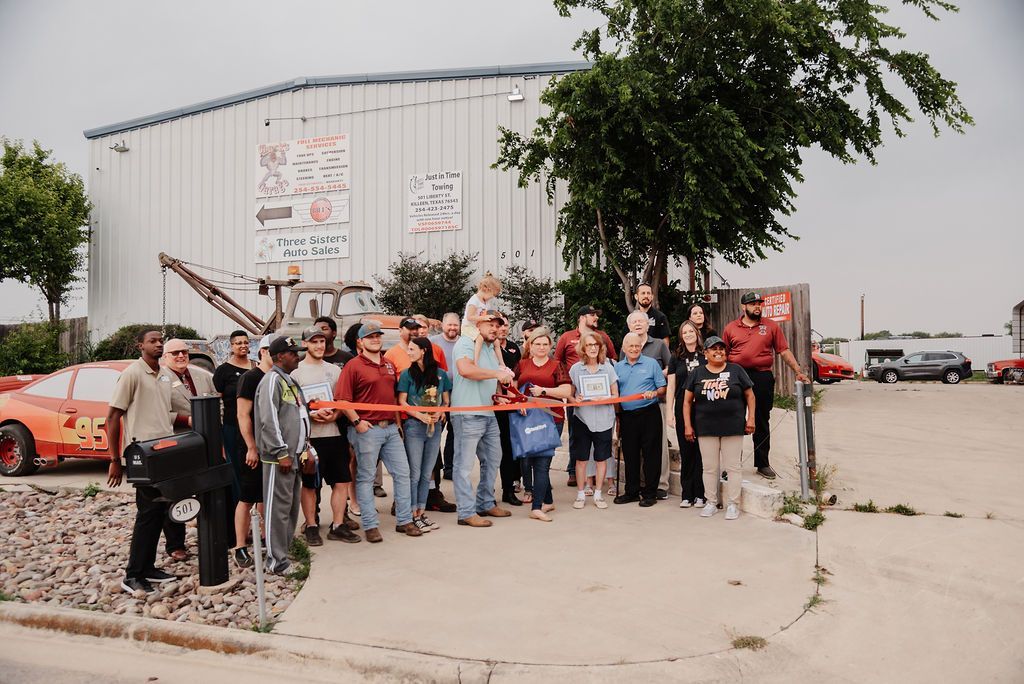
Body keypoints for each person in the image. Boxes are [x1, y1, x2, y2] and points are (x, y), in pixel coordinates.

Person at [105, 328, 178, 594]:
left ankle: (148, 568)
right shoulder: (132, 374)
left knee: (159, 511)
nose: (159, 345)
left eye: (161, 341)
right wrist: (114, 459)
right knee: (147, 513)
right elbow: (112, 417)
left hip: (163, 451)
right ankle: (133, 574)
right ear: (140, 346)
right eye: (153, 341)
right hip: (141, 454)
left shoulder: (165, 375)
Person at [335, 322, 422, 542]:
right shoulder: (353, 366)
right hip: (367, 430)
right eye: (370, 336)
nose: (375, 339)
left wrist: (398, 425)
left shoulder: (389, 364)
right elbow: (342, 400)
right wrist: (357, 422)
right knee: (365, 478)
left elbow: (393, 399)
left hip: (391, 429)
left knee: (403, 474)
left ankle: (404, 520)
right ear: (360, 341)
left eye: (377, 336)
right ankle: (370, 525)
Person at [722, 292, 810, 479]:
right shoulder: (731, 328)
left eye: (759, 304)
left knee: (761, 419)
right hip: (736, 377)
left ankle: (762, 463)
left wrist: (797, 371)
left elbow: (783, 350)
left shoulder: (770, 327)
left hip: (762, 376)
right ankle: (732, 465)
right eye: (753, 304)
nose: (757, 307)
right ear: (743, 307)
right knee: (733, 419)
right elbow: (723, 355)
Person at [291, 326, 360, 545]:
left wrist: (335, 415)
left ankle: (338, 525)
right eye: (314, 342)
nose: (319, 346)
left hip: (334, 434)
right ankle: (311, 525)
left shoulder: (334, 370)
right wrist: (310, 415)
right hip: (310, 439)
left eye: (322, 341)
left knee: (341, 481)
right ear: (305, 344)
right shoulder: (295, 373)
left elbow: (343, 400)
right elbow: (292, 407)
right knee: (310, 484)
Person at [451, 309, 516, 527]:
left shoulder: (490, 348)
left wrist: (497, 398)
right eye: (490, 324)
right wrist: (497, 374)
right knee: (464, 466)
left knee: (493, 459)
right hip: (467, 413)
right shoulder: (466, 343)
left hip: (488, 413)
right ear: (478, 324)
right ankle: (466, 512)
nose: (495, 328)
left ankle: (485, 502)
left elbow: (486, 379)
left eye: (498, 325)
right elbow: (466, 370)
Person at [255, 336, 311, 574]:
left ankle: (284, 553)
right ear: (279, 357)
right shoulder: (271, 381)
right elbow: (269, 421)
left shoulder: (289, 381)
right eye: (293, 352)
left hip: (295, 455)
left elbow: (298, 416)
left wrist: (305, 447)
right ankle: (275, 561)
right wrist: (281, 453)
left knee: (289, 508)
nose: (297, 355)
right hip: (279, 458)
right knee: (276, 509)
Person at [683, 336, 756, 520]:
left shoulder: (736, 370)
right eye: (713, 349)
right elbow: (686, 402)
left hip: (733, 427)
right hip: (706, 428)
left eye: (721, 349)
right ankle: (711, 502)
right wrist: (687, 426)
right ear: (705, 353)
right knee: (709, 468)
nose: (718, 352)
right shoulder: (697, 373)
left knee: (733, 467)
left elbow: (750, 396)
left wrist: (751, 418)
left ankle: (733, 504)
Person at [159, 338, 217, 561]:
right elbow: (161, 412)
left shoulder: (202, 376)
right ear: (166, 358)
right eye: (175, 353)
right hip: (177, 443)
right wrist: (186, 419)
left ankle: (211, 536)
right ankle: (176, 545)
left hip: (206, 444)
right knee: (176, 494)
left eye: (184, 352)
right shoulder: (160, 381)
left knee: (208, 489)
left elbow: (216, 402)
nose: (181, 356)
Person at [514, 327, 573, 521]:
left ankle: (537, 507)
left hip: (551, 418)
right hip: (526, 419)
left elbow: (566, 391)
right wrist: (517, 403)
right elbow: (511, 389)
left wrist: (544, 391)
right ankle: (548, 501)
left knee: (542, 462)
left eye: (545, 344)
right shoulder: (522, 365)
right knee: (532, 460)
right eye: (537, 343)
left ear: (550, 346)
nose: (541, 347)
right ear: (530, 346)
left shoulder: (557, 365)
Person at [555, 305, 617, 487]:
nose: (596, 318)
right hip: (577, 393)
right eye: (592, 315)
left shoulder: (603, 337)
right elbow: (558, 362)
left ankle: (599, 477)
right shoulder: (566, 337)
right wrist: (566, 385)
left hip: (601, 398)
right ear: (582, 317)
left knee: (601, 435)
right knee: (576, 434)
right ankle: (574, 471)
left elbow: (612, 358)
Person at [397, 337, 451, 532]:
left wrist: (441, 411)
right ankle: (411, 513)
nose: (408, 352)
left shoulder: (441, 374)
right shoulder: (406, 375)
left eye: (412, 349)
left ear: (424, 351)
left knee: (427, 473)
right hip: (414, 426)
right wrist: (418, 414)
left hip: (434, 427)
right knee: (415, 473)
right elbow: (402, 401)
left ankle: (421, 511)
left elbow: (446, 401)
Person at [232, 334, 273, 569]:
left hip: (271, 448)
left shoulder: (277, 378)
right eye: (269, 350)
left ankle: (266, 538)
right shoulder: (250, 378)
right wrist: (251, 446)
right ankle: (240, 546)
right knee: (247, 497)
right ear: (262, 352)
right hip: (252, 447)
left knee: (265, 496)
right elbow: (242, 414)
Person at [613, 332, 667, 507]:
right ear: (624, 348)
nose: (634, 349)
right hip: (627, 416)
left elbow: (662, 388)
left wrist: (655, 392)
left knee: (651, 454)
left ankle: (650, 493)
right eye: (631, 346)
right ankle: (632, 492)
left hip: (649, 413)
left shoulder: (651, 364)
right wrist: (618, 416)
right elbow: (615, 393)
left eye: (637, 346)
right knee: (630, 454)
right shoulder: (618, 367)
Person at [622, 311, 672, 499]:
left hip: (654, 405)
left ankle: (659, 485)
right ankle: (637, 488)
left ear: (647, 324)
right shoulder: (626, 348)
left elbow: (670, 368)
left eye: (641, 321)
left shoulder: (659, 345)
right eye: (634, 321)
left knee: (656, 449)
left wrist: (656, 377)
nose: (637, 324)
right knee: (633, 451)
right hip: (629, 411)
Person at [567, 331, 619, 511]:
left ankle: (598, 494)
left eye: (595, 345)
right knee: (581, 459)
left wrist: (603, 399)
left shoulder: (608, 368)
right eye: (589, 345)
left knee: (601, 458)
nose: (592, 348)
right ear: (583, 347)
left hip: (604, 419)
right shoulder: (575, 369)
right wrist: (576, 399)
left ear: (600, 347)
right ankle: (581, 494)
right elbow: (570, 395)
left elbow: (615, 395)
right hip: (582, 418)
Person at [212, 330, 255, 548]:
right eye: (238, 343)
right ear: (231, 346)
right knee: (237, 474)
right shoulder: (223, 371)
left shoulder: (255, 368)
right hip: (231, 428)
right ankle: (240, 529)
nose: (242, 346)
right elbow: (217, 402)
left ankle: (258, 528)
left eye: (246, 342)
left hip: (254, 428)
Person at [665, 321, 706, 508]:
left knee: (701, 451)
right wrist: (669, 412)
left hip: (704, 407)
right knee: (686, 450)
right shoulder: (676, 357)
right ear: (681, 336)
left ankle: (701, 494)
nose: (688, 334)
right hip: (683, 407)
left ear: (697, 333)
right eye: (684, 332)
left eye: (691, 331)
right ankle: (687, 494)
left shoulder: (706, 355)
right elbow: (671, 386)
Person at [494, 314, 523, 506]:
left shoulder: (514, 348)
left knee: (509, 447)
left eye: (506, 325)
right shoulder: (488, 348)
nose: (503, 328)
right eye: (500, 325)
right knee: (491, 451)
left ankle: (509, 489)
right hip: (494, 403)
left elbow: (518, 374)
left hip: (512, 403)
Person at [429, 312, 461, 481]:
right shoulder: (434, 342)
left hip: (458, 392)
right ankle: (435, 466)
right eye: (449, 324)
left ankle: (450, 467)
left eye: (455, 325)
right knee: (436, 430)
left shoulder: (464, 343)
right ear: (442, 325)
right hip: (438, 392)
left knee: (455, 431)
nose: (452, 328)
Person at [463, 274, 504, 366]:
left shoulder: (486, 301)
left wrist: (497, 314)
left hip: (478, 327)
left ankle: (502, 364)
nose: (492, 298)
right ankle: (476, 362)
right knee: (480, 338)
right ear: (486, 289)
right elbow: (470, 317)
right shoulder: (474, 301)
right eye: (492, 295)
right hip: (468, 327)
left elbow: (488, 312)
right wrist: (483, 318)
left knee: (496, 341)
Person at [634, 283, 671, 347]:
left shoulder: (660, 317)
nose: (646, 296)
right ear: (636, 296)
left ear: (652, 296)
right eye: (643, 293)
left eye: (648, 293)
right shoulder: (632, 318)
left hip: (655, 355)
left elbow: (665, 342)